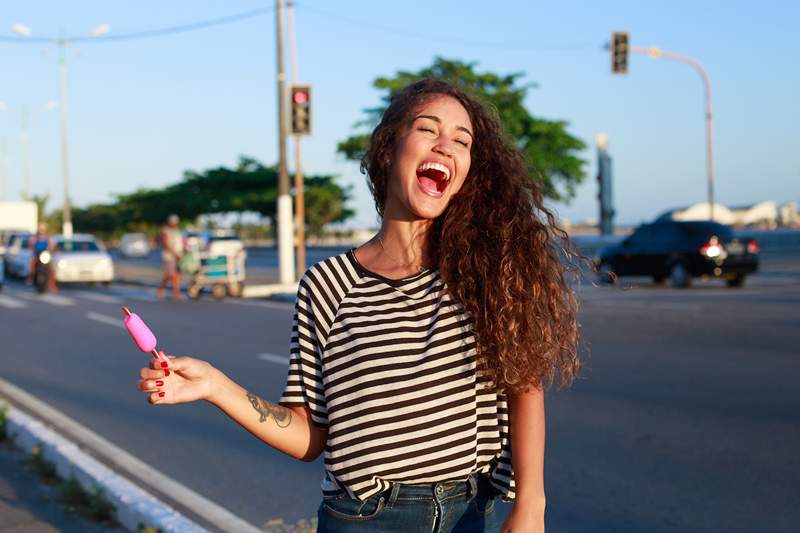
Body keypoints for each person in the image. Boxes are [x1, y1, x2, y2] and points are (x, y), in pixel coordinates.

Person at [136, 79, 581, 532]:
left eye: (462, 141)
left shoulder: (482, 271)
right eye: (428, 129)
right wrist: (214, 385)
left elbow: (525, 386)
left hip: (467, 513)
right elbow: (308, 435)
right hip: (368, 519)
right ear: (389, 149)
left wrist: (531, 504)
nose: (446, 146)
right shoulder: (328, 285)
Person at [156, 214, 184, 301]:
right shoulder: (166, 231)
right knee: (170, 275)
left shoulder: (177, 231)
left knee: (176, 275)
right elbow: (165, 243)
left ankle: (175, 293)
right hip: (169, 256)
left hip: (177, 255)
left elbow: (181, 242)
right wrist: (174, 253)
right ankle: (162, 290)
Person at [26, 222, 57, 292]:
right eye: (41, 228)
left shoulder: (48, 237)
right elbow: (31, 245)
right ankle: (30, 277)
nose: (42, 230)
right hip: (37, 255)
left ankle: (52, 284)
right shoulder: (35, 237)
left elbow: (52, 246)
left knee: (52, 269)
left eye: (43, 228)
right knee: (32, 263)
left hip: (45, 256)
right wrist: (32, 248)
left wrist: (52, 250)